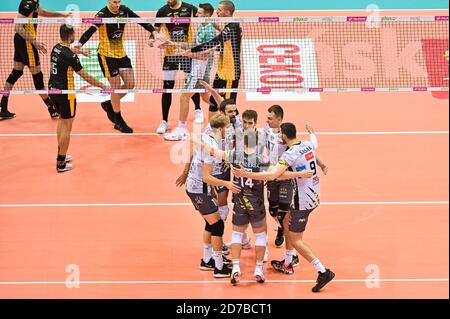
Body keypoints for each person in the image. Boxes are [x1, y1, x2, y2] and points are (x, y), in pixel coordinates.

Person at [232, 122, 335, 293]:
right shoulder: (306, 144)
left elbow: (273, 175)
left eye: (280, 134)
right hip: (315, 194)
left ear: (284, 136)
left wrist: (247, 174)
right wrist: (314, 137)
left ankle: (322, 271)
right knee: (286, 220)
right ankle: (287, 262)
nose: (279, 136)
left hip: (303, 200)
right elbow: (314, 145)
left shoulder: (291, 153)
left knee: (296, 240)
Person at [76, 0, 161, 133]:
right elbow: (90, 31)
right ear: (108, 1)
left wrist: (153, 31)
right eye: (114, 2)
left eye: (119, 1)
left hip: (121, 54)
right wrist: (80, 44)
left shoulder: (124, 10)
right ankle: (118, 120)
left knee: (130, 83)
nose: (117, 4)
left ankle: (109, 104)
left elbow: (139, 20)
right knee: (115, 88)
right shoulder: (102, 14)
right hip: (106, 56)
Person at [177, 114, 240, 278]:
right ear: (222, 128)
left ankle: (207, 260)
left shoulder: (207, 137)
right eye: (228, 127)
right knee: (218, 225)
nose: (230, 130)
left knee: (210, 222)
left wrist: (211, 189)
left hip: (199, 187)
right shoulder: (210, 146)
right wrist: (226, 184)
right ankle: (218, 267)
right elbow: (206, 176)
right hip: (198, 188)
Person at [49, 25, 108, 172]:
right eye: (74, 33)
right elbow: (85, 75)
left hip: (52, 90)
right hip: (66, 94)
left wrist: (80, 51)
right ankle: (61, 162)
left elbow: (68, 52)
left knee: (62, 121)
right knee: (67, 128)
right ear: (70, 36)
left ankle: (61, 152)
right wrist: (102, 85)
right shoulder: (71, 56)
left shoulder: (56, 48)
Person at [0, 0, 71, 120]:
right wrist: (35, 42)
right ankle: (52, 107)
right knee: (37, 76)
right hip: (27, 42)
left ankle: (2, 107)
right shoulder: (27, 4)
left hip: (21, 40)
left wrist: (61, 15)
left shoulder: (34, 2)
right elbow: (17, 27)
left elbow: (42, 11)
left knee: (16, 72)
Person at [163, 3, 217, 141]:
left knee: (184, 96)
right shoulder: (201, 26)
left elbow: (205, 55)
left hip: (200, 69)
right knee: (207, 99)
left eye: (199, 13)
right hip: (197, 67)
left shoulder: (209, 31)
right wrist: (172, 42)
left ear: (206, 15)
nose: (196, 15)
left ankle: (181, 130)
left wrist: (187, 55)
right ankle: (226, 114)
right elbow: (194, 45)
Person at [184, 1, 241, 120]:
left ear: (227, 12)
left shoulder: (233, 26)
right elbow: (221, 45)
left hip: (230, 72)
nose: (217, 11)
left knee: (229, 106)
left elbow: (214, 42)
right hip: (221, 70)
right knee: (214, 101)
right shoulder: (226, 26)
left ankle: (234, 131)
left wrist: (193, 50)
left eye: (219, 10)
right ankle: (211, 131)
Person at [154, 0, 203, 135]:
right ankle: (164, 121)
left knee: (191, 84)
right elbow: (155, 31)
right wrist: (153, 39)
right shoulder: (162, 11)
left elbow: (204, 17)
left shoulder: (189, 8)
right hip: (170, 54)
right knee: (167, 87)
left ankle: (198, 109)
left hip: (187, 53)